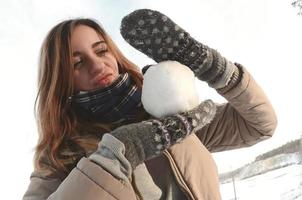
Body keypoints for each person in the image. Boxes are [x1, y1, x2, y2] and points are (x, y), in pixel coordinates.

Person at [23, 9, 277, 200]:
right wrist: (113, 157)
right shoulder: (59, 155)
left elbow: (258, 125)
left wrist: (216, 71)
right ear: (60, 82)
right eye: (77, 63)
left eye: (101, 51)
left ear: (114, 54)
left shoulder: (170, 118)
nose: (98, 65)